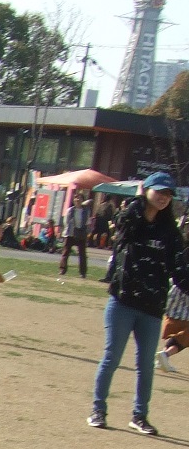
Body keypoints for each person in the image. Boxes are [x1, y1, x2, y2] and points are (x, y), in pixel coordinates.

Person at [90, 172, 189, 435]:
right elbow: (120, 225)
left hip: (152, 307)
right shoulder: (130, 220)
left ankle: (139, 415)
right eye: (159, 192)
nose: (164, 198)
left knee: (145, 365)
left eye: (168, 194)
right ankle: (98, 410)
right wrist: (137, 201)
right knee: (111, 358)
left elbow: (179, 271)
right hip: (122, 301)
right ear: (145, 190)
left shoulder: (170, 232)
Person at [61, 191, 91, 278]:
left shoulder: (86, 211)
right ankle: (62, 269)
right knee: (66, 252)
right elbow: (66, 222)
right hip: (70, 233)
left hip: (81, 233)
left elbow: (88, 222)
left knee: (82, 254)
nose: (77, 200)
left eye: (79, 198)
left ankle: (83, 272)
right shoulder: (70, 210)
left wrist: (87, 231)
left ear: (82, 200)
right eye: (76, 198)